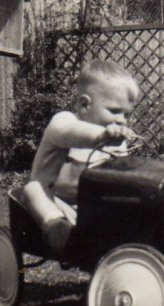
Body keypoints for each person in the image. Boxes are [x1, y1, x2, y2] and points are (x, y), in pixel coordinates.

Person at [22, 60, 140, 254]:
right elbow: (69, 133)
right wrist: (102, 136)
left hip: (90, 210)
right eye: (114, 111)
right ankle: (55, 228)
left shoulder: (115, 138)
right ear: (84, 104)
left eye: (127, 114)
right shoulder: (63, 122)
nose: (122, 120)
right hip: (54, 202)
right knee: (31, 189)